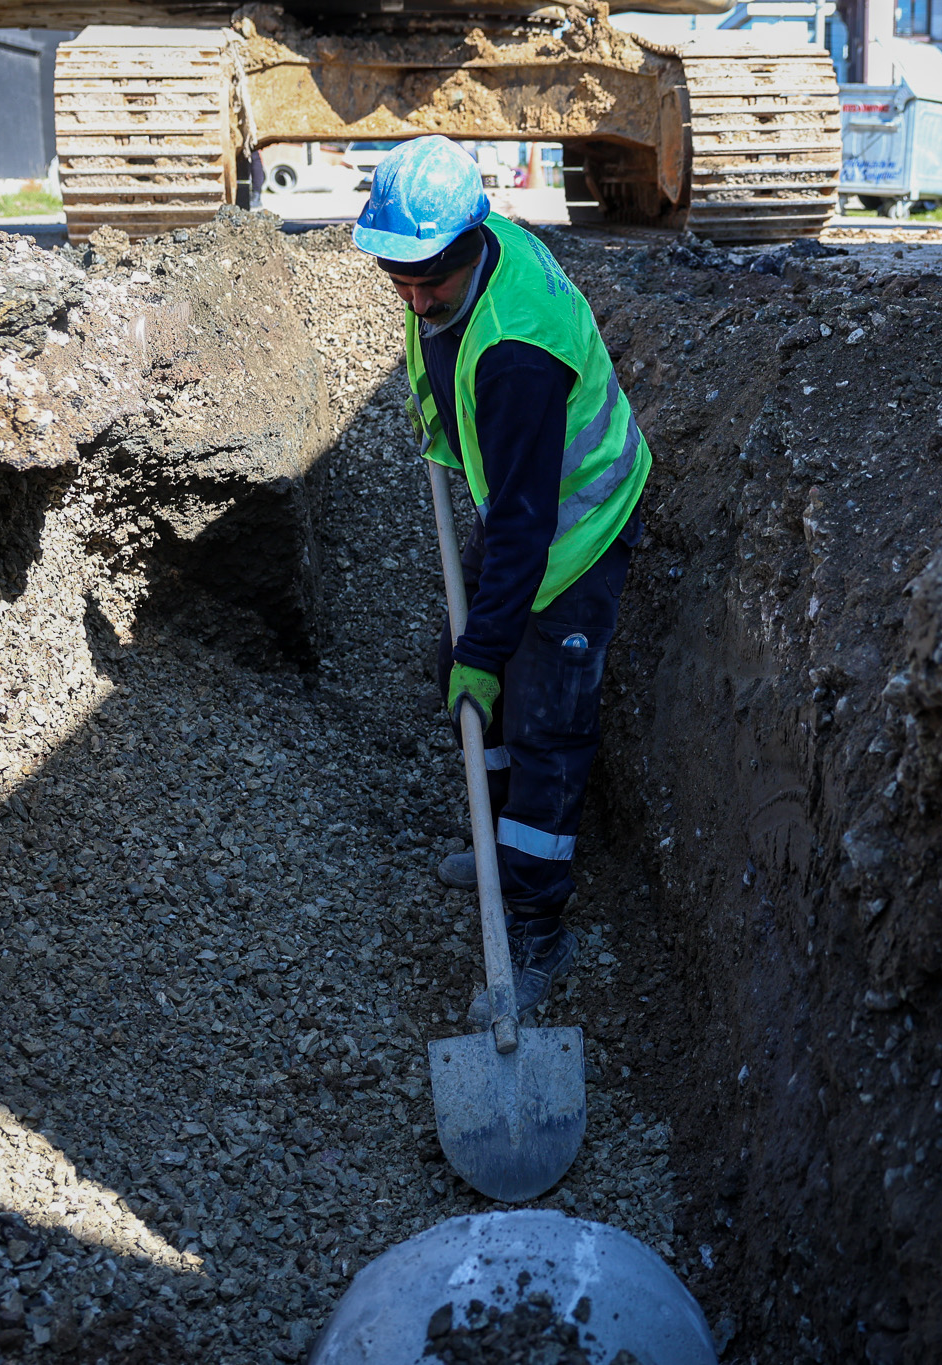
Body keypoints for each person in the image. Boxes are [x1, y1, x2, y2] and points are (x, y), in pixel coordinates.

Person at [353, 136, 650, 1023]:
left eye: (427, 284)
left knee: (547, 719)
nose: (414, 300)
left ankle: (535, 923)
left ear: (470, 245)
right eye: (397, 281)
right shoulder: (454, 264)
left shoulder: (517, 351)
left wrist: (488, 647)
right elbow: (441, 347)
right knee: (469, 663)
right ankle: (495, 847)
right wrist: (442, 420)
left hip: (578, 529)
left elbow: (524, 527)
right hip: (525, 512)